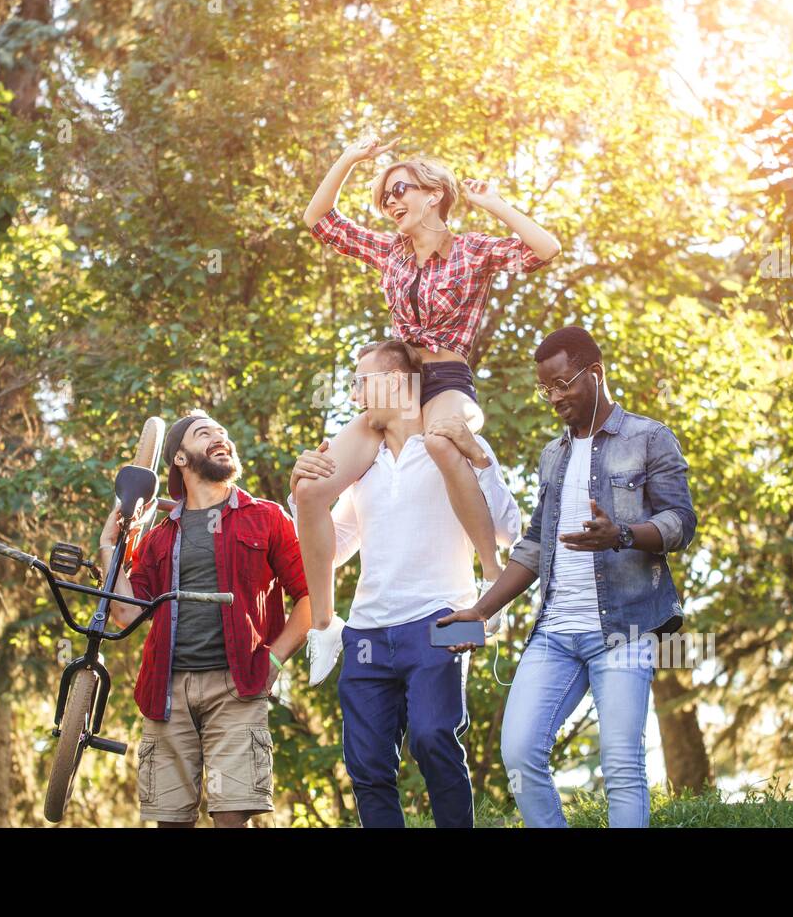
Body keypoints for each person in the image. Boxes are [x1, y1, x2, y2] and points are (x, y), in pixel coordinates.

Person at [297, 135, 560, 634]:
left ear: (434, 193)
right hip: (398, 385)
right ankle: (326, 624)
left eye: (400, 190)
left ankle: (491, 574)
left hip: (447, 380)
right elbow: (320, 221)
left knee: (441, 442)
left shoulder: (472, 251)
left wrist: (493, 204)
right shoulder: (389, 252)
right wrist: (351, 159)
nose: (391, 202)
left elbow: (544, 249)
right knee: (311, 488)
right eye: (385, 198)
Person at [439, 326, 697, 828]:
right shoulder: (552, 455)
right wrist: (481, 609)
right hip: (555, 634)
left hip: (622, 630)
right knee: (519, 754)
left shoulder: (649, 438)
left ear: (595, 373)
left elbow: (680, 524)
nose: (555, 398)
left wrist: (621, 533)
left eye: (563, 384)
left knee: (622, 764)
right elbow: (534, 546)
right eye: (546, 389)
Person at [289, 340, 519, 827]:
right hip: (369, 631)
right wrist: (301, 498)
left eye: (360, 383)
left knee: (435, 738)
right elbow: (336, 549)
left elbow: (508, 529)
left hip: (441, 620)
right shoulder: (365, 469)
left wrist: (480, 459)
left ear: (396, 383)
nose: (355, 398)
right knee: (367, 765)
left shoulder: (447, 444)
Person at [100, 412, 311, 827]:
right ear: (180, 458)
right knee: (170, 821)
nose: (221, 438)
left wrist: (274, 659)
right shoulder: (161, 535)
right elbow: (124, 612)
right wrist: (110, 545)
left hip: (238, 687)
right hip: (166, 693)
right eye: (205, 433)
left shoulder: (265, 517)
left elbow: (310, 596)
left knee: (232, 817)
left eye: (223, 433)